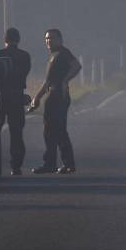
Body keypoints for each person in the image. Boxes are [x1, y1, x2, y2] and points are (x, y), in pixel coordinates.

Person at [29, 28, 81, 174]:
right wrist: (37, 98)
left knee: (57, 130)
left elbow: (77, 66)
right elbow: (47, 81)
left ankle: (63, 163)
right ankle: (55, 163)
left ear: (60, 39)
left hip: (59, 95)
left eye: (51, 38)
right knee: (50, 131)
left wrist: (65, 81)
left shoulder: (63, 53)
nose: (48, 41)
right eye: (46, 38)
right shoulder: (53, 56)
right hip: (51, 94)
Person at [0, 27, 31, 176]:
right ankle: (16, 166)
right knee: (17, 134)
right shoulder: (25, 56)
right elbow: (25, 72)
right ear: (18, 39)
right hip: (17, 96)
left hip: (0, 97)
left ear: (5, 40)